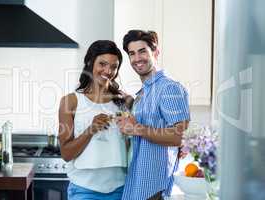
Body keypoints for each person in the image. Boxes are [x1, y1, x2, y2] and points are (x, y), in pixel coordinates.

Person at [116, 30, 190, 200]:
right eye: (132, 54)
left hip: (153, 188)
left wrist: (137, 128)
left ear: (156, 52)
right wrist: (130, 103)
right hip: (137, 183)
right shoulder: (144, 92)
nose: (137, 58)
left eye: (142, 51)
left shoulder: (169, 88)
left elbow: (180, 137)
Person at [58, 40, 131, 200]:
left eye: (114, 66)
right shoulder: (71, 102)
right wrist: (90, 130)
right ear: (90, 62)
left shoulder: (124, 102)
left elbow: (132, 145)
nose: (108, 70)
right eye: (102, 64)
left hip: (120, 189)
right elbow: (66, 154)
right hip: (84, 191)